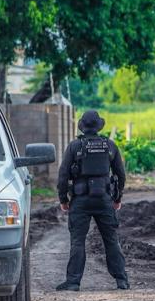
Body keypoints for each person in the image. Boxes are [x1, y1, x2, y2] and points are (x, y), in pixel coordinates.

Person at [55, 111, 129, 291]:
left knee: (78, 241)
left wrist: (64, 199)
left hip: (80, 201)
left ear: (83, 126)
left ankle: (73, 282)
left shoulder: (74, 146)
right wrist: (117, 198)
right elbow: (121, 175)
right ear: (99, 127)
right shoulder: (110, 145)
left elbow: (63, 176)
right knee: (111, 240)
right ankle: (122, 281)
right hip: (104, 199)